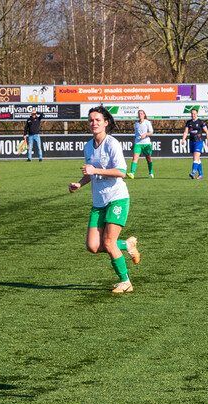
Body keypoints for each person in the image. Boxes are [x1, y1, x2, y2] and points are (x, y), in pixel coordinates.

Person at [68, 106, 141, 293]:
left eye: (98, 120)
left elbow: (122, 172)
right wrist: (79, 183)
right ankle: (126, 244)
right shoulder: (88, 146)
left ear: (106, 122)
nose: (94, 123)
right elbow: (89, 174)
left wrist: (95, 170)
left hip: (117, 198)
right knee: (93, 246)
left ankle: (126, 281)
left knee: (108, 242)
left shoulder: (112, 144)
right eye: (91, 120)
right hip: (98, 202)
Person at [181, 109, 208, 180]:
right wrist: (183, 139)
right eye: (192, 114)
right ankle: (201, 174)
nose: (193, 115)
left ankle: (193, 172)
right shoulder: (189, 122)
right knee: (197, 159)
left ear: (197, 114)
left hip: (199, 142)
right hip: (191, 142)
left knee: (195, 158)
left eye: (194, 114)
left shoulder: (201, 122)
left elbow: (207, 132)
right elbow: (186, 132)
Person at [127, 109, 154, 179]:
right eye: (139, 114)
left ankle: (151, 172)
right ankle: (132, 173)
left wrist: (146, 134)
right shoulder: (136, 124)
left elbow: (151, 132)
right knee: (135, 158)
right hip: (138, 143)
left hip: (146, 143)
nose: (140, 115)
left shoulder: (147, 122)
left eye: (141, 113)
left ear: (144, 115)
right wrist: (133, 143)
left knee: (148, 158)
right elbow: (136, 135)